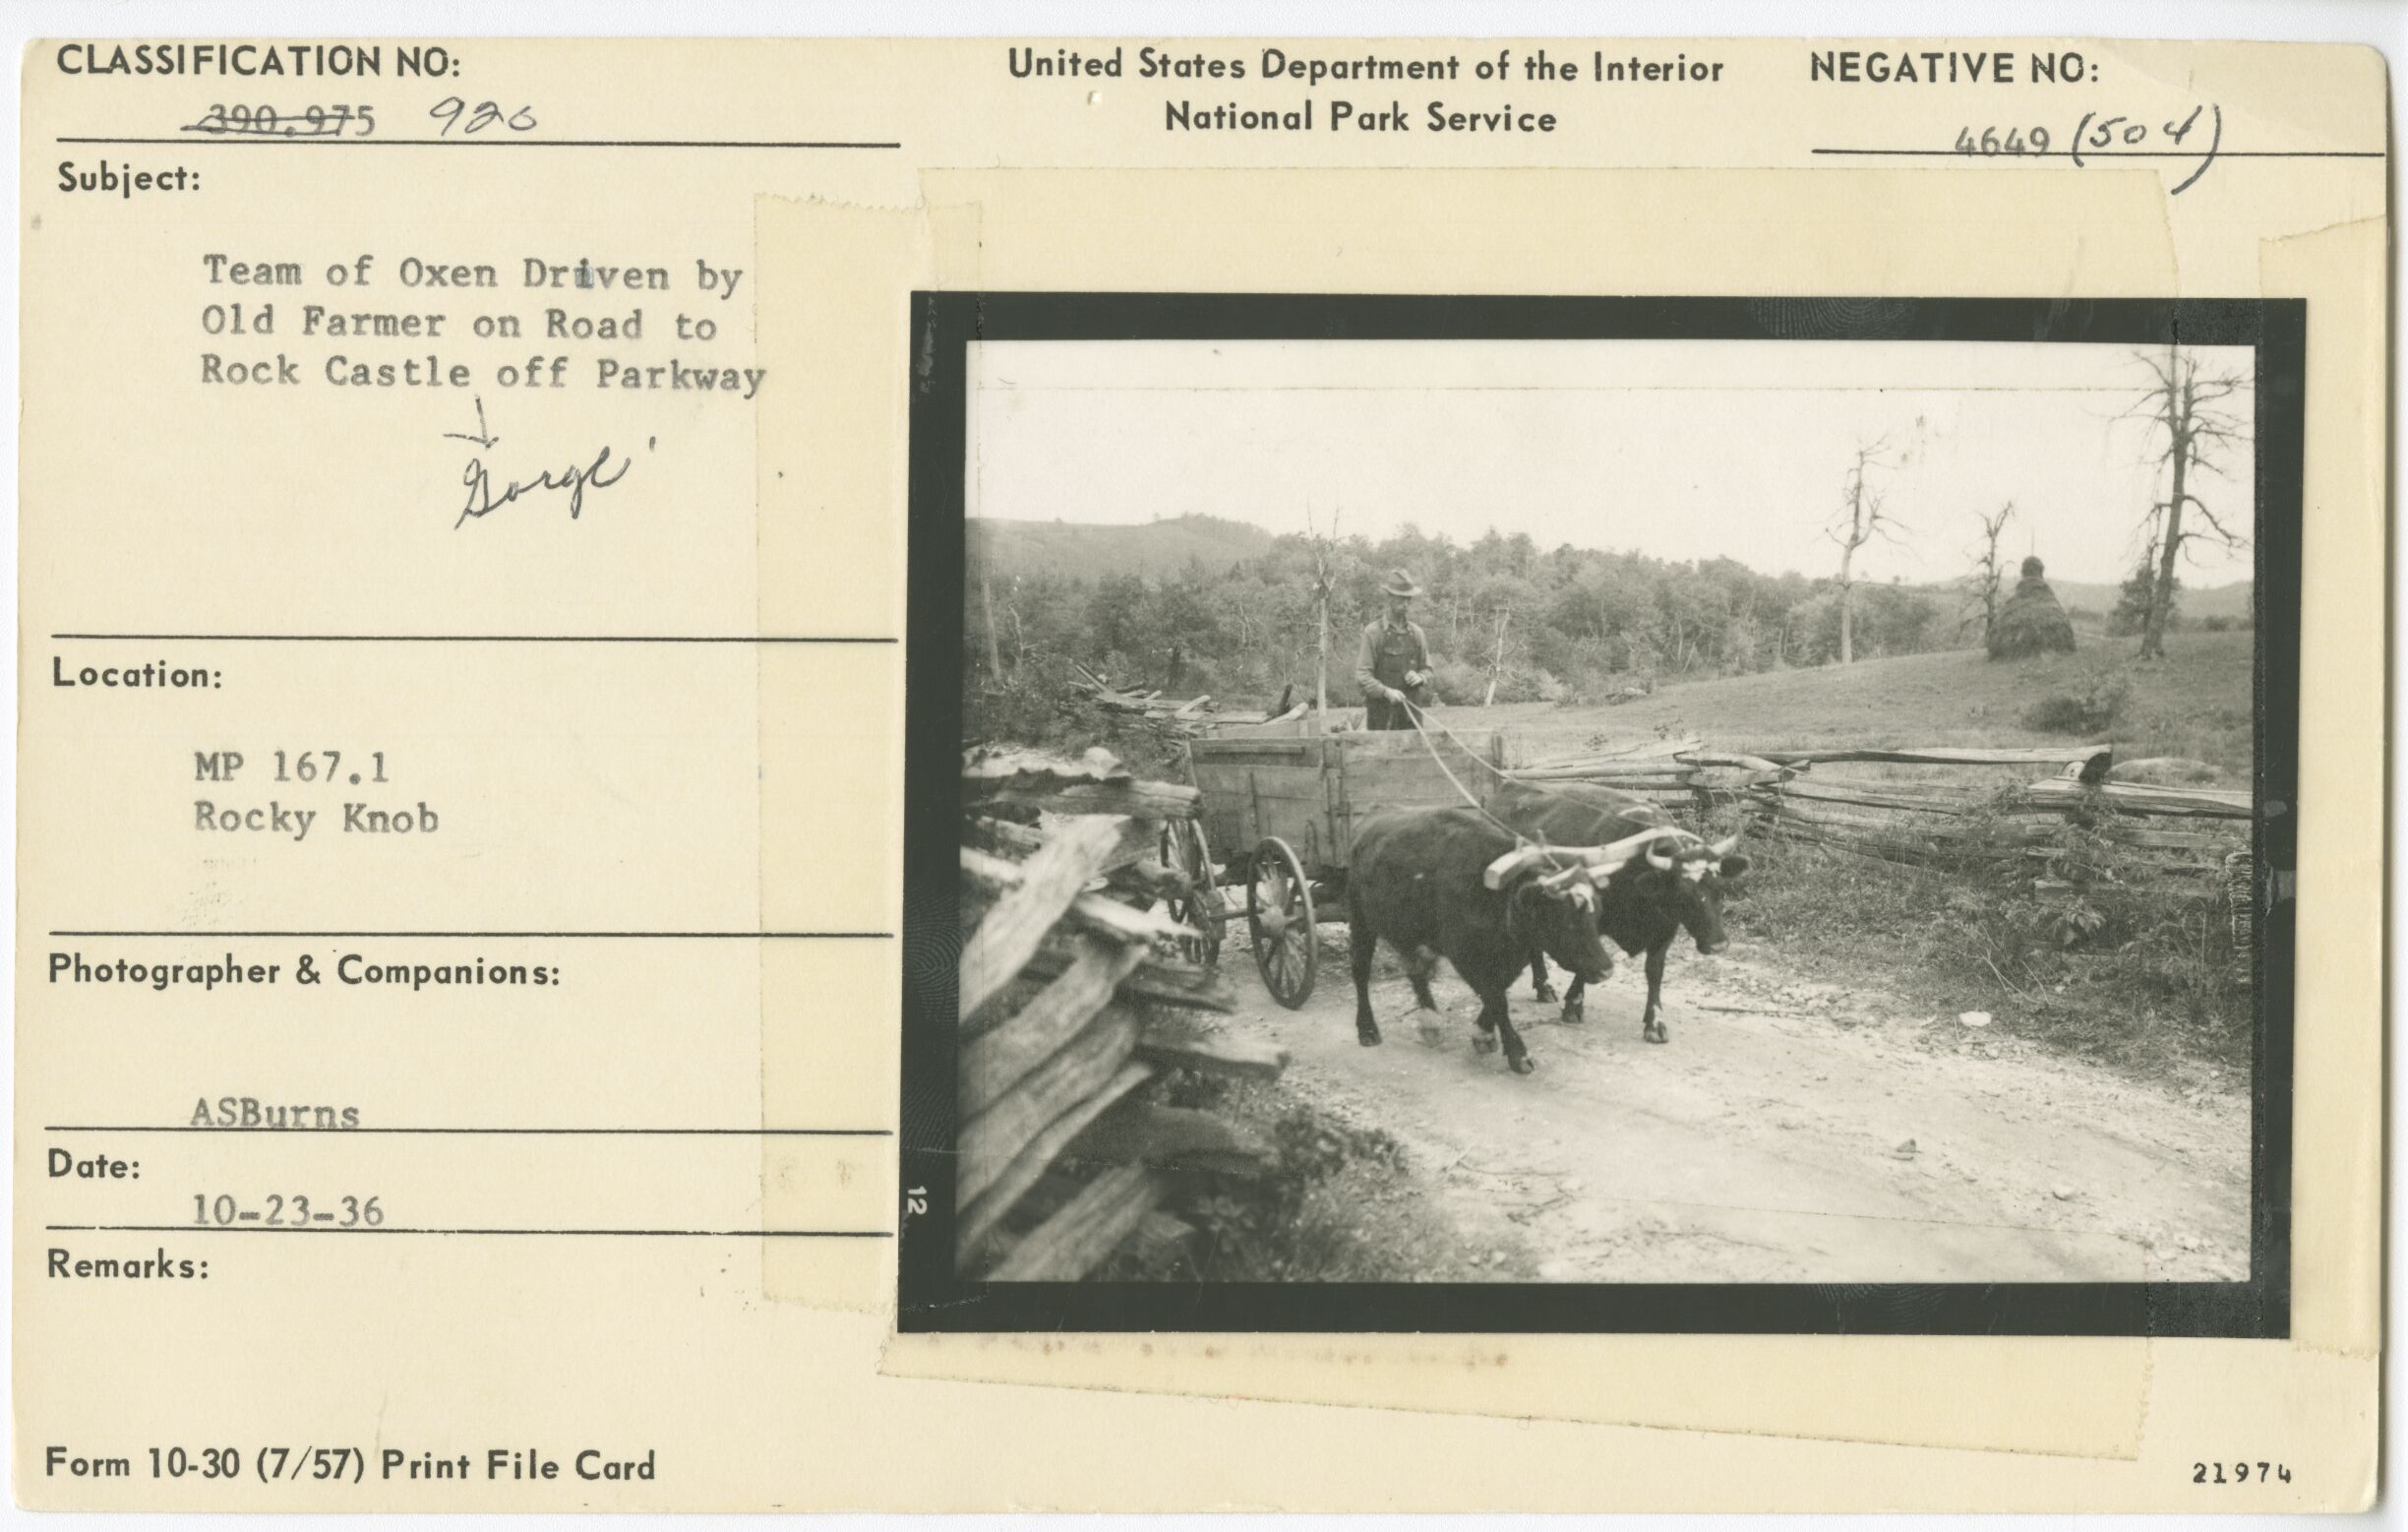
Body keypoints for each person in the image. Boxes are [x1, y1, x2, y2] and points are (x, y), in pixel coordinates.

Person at [1354, 568, 1435, 730]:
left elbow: (1429, 671)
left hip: (1412, 719)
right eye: (1401, 599)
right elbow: (1362, 677)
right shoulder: (1373, 632)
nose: (1405, 604)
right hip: (1381, 719)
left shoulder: (1417, 633)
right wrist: (1385, 692)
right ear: (1389, 598)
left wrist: (1420, 677)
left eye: (1408, 599)